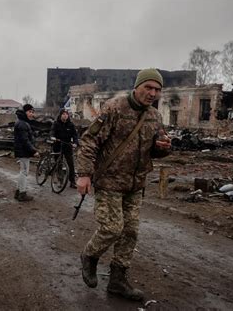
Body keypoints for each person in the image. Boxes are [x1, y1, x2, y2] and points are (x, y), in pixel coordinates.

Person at [76, 69, 171, 301]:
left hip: (135, 184)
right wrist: (84, 174)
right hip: (109, 180)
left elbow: (155, 151)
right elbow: (90, 140)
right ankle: (89, 255)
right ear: (137, 86)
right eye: (148, 87)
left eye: (157, 90)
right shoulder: (114, 108)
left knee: (130, 232)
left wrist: (163, 147)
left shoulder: (155, 117)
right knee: (112, 228)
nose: (152, 93)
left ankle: (118, 281)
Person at [14, 104, 39, 202]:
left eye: (32, 112)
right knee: (24, 172)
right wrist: (34, 151)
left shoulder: (22, 122)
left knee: (22, 171)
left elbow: (27, 136)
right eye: (29, 112)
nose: (31, 114)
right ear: (25, 112)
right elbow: (25, 140)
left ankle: (18, 191)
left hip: (22, 150)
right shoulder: (22, 124)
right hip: (23, 151)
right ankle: (22, 194)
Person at [50, 108, 79, 188]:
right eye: (63, 114)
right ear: (60, 115)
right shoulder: (56, 123)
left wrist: (75, 143)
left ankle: (72, 182)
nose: (65, 115)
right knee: (59, 163)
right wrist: (52, 137)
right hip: (57, 145)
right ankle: (60, 181)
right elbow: (52, 131)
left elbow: (75, 135)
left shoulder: (71, 124)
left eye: (66, 114)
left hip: (67, 145)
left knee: (71, 164)